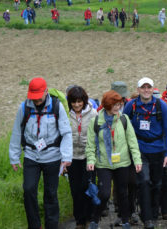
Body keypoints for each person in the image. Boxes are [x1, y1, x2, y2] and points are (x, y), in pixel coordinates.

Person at [9, 78, 73, 229]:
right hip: (32, 156)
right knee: (28, 189)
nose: (36, 99)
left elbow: (66, 133)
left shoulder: (57, 107)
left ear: (46, 91)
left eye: (39, 95)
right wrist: (14, 156)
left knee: (50, 194)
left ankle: (51, 226)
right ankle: (35, 225)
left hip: (53, 157)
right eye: (33, 96)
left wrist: (66, 157)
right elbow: (17, 132)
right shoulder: (24, 108)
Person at [87, 90, 142, 229]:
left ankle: (125, 221)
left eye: (119, 104)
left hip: (122, 162)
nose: (118, 107)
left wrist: (137, 160)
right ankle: (95, 219)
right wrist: (91, 161)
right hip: (103, 163)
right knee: (104, 193)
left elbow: (132, 141)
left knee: (122, 192)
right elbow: (91, 145)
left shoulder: (124, 119)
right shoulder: (95, 122)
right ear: (106, 105)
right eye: (114, 105)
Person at [123, 77, 167, 229]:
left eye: (148, 87)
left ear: (153, 89)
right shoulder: (131, 106)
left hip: (158, 150)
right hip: (139, 150)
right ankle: (147, 218)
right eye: (143, 87)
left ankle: (153, 211)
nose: (146, 90)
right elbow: (123, 126)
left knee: (156, 184)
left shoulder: (161, 105)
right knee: (144, 181)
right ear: (138, 90)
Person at [66, 86, 98, 229]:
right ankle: (79, 220)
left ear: (84, 101)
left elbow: (99, 136)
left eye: (79, 101)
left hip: (88, 156)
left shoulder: (93, 114)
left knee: (87, 187)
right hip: (72, 157)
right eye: (73, 102)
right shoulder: (66, 115)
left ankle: (90, 218)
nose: (77, 105)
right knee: (75, 189)